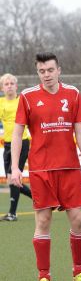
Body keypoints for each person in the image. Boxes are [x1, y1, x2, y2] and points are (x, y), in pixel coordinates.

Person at [11, 53, 81, 281]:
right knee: (43, 220)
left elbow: (80, 132)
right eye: (41, 71)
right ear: (38, 73)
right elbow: (17, 133)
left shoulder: (73, 94)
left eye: (50, 70)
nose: (46, 75)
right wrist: (15, 167)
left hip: (69, 168)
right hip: (41, 168)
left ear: (59, 70)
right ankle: (44, 277)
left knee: (78, 219)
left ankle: (79, 273)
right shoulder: (27, 97)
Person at [0, 73, 32, 221]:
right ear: (2, 88)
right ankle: (41, 199)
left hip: (21, 143)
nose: (9, 86)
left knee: (14, 179)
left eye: (12, 83)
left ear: (16, 86)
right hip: (7, 144)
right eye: (6, 84)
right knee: (11, 180)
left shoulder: (22, 101)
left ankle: (12, 214)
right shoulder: (1, 103)